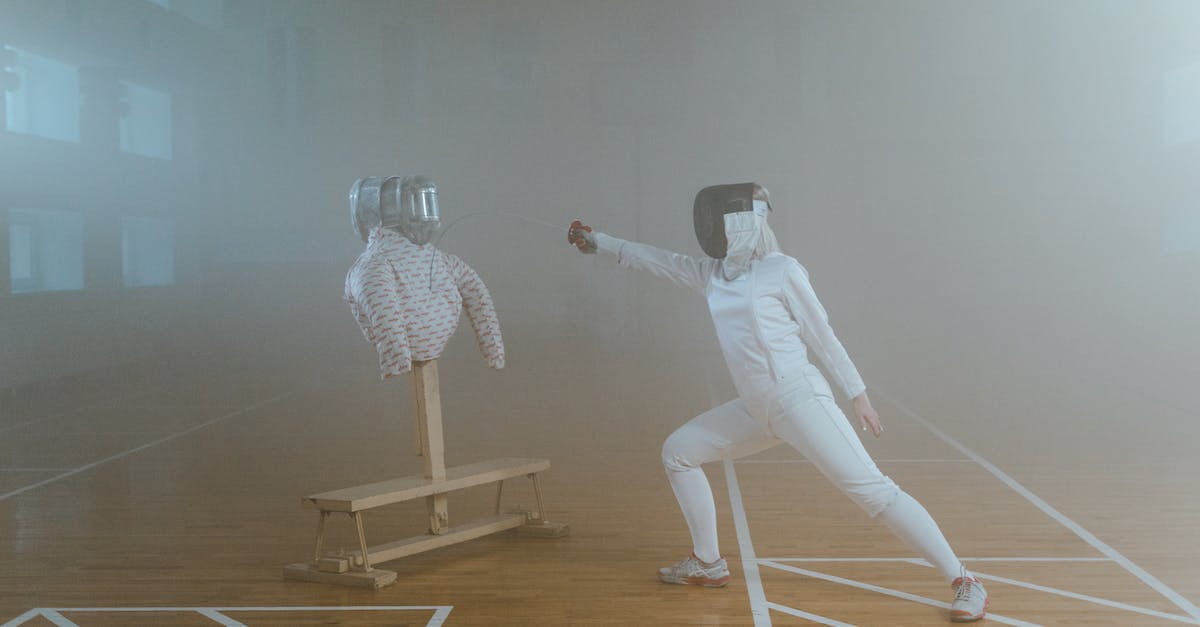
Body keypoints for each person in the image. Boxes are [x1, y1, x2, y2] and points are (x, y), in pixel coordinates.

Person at [567, 183, 988, 622]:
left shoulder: (782, 270)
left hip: (799, 398)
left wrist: (858, 395)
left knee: (874, 493)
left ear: (742, 223)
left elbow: (822, 336)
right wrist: (599, 242)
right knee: (678, 452)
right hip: (756, 409)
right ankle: (708, 563)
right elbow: (657, 261)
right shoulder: (712, 274)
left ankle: (965, 581)